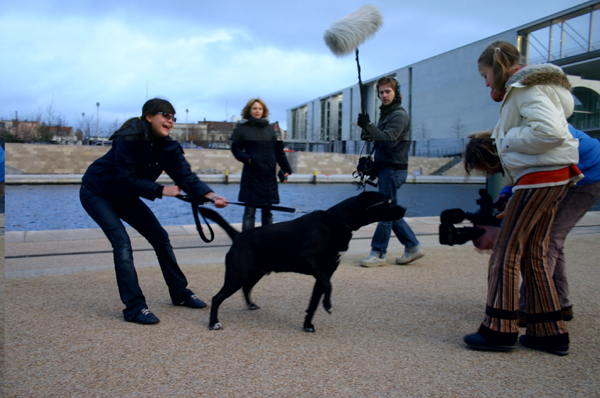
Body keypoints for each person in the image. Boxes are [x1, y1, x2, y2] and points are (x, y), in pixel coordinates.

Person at [463, 41, 582, 356]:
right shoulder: (535, 89)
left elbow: (550, 133)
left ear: (498, 67)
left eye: (485, 74)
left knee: (505, 253)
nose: (486, 82)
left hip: (540, 179)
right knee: (534, 254)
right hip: (554, 177)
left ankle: (499, 329)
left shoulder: (525, 90)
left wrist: (505, 137)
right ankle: (549, 332)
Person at [80, 98, 228, 325]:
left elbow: (185, 176)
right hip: (97, 192)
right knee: (122, 243)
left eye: (173, 117)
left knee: (160, 236)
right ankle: (134, 308)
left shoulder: (168, 146)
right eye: (165, 115)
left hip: (125, 195)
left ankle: (179, 293)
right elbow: (125, 177)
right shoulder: (129, 137)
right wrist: (161, 190)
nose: (170, 120)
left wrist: (210, 195)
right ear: (149, 117)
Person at [469, 126, 600, 326]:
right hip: (573, 170)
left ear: (494, 156)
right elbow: (521, 175)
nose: (491, 173)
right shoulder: (514, 143)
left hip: (586, 176)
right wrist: (505, 194)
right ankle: (561, 304)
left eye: (489, 168)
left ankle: (529, 308)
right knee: (551, 240)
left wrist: (502, 228)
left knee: (546, 241)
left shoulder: (522, 143)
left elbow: (530, 181)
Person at [356, 76, 424, 267]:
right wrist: (365, 127)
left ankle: (378, 253)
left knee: (384, 211)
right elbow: (375, 137)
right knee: (389, 210)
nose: (384, 95)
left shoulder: (398, 115)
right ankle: (413, 246)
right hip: (387, 168)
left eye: (388, 91)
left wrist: (369, 126)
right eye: (381, 92)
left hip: (393, 169)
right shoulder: (387, 113)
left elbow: (390, 139)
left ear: (396, 93)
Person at [230, 98, 292, 231]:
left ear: (263, 111)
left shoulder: (270, 129)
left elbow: (278, 151)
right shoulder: (242, 128)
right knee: (249, 212)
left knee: (268, 211)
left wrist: (286, 168)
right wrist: (248, 159)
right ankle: (246, 241)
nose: (257, 111)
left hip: (269, 176)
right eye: (254, 108)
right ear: (249, 110)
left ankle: (266, 239)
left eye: (260, 108)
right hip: (252, 175)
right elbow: (235, 148)